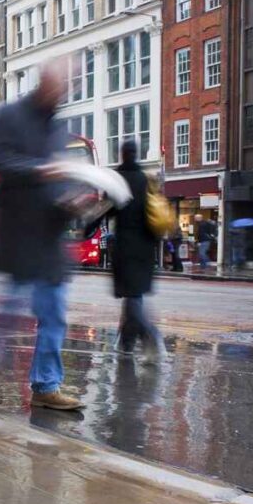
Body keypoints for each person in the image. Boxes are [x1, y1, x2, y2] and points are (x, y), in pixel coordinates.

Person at [0, 61, 85, 411]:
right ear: (43, 83)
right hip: (19, 230)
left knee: (54, 313)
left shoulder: (59, 129)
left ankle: (46, 386)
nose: (63, 91)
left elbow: (58, 178)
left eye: (68, 86)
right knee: (4, 317)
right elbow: (0, 161)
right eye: (59, 84)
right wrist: (40, 171)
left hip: (50, 234)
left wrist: (74, 200)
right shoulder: (10, 115)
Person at [106, 141, 164, 363]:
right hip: (146, 247)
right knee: (134, 295)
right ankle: (126, 344)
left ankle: (150, 336)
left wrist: (87, 226)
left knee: (132, 297)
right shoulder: (145, 179)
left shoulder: (118, 180)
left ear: (122, 154)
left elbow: (107, 210)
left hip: (127, 247)